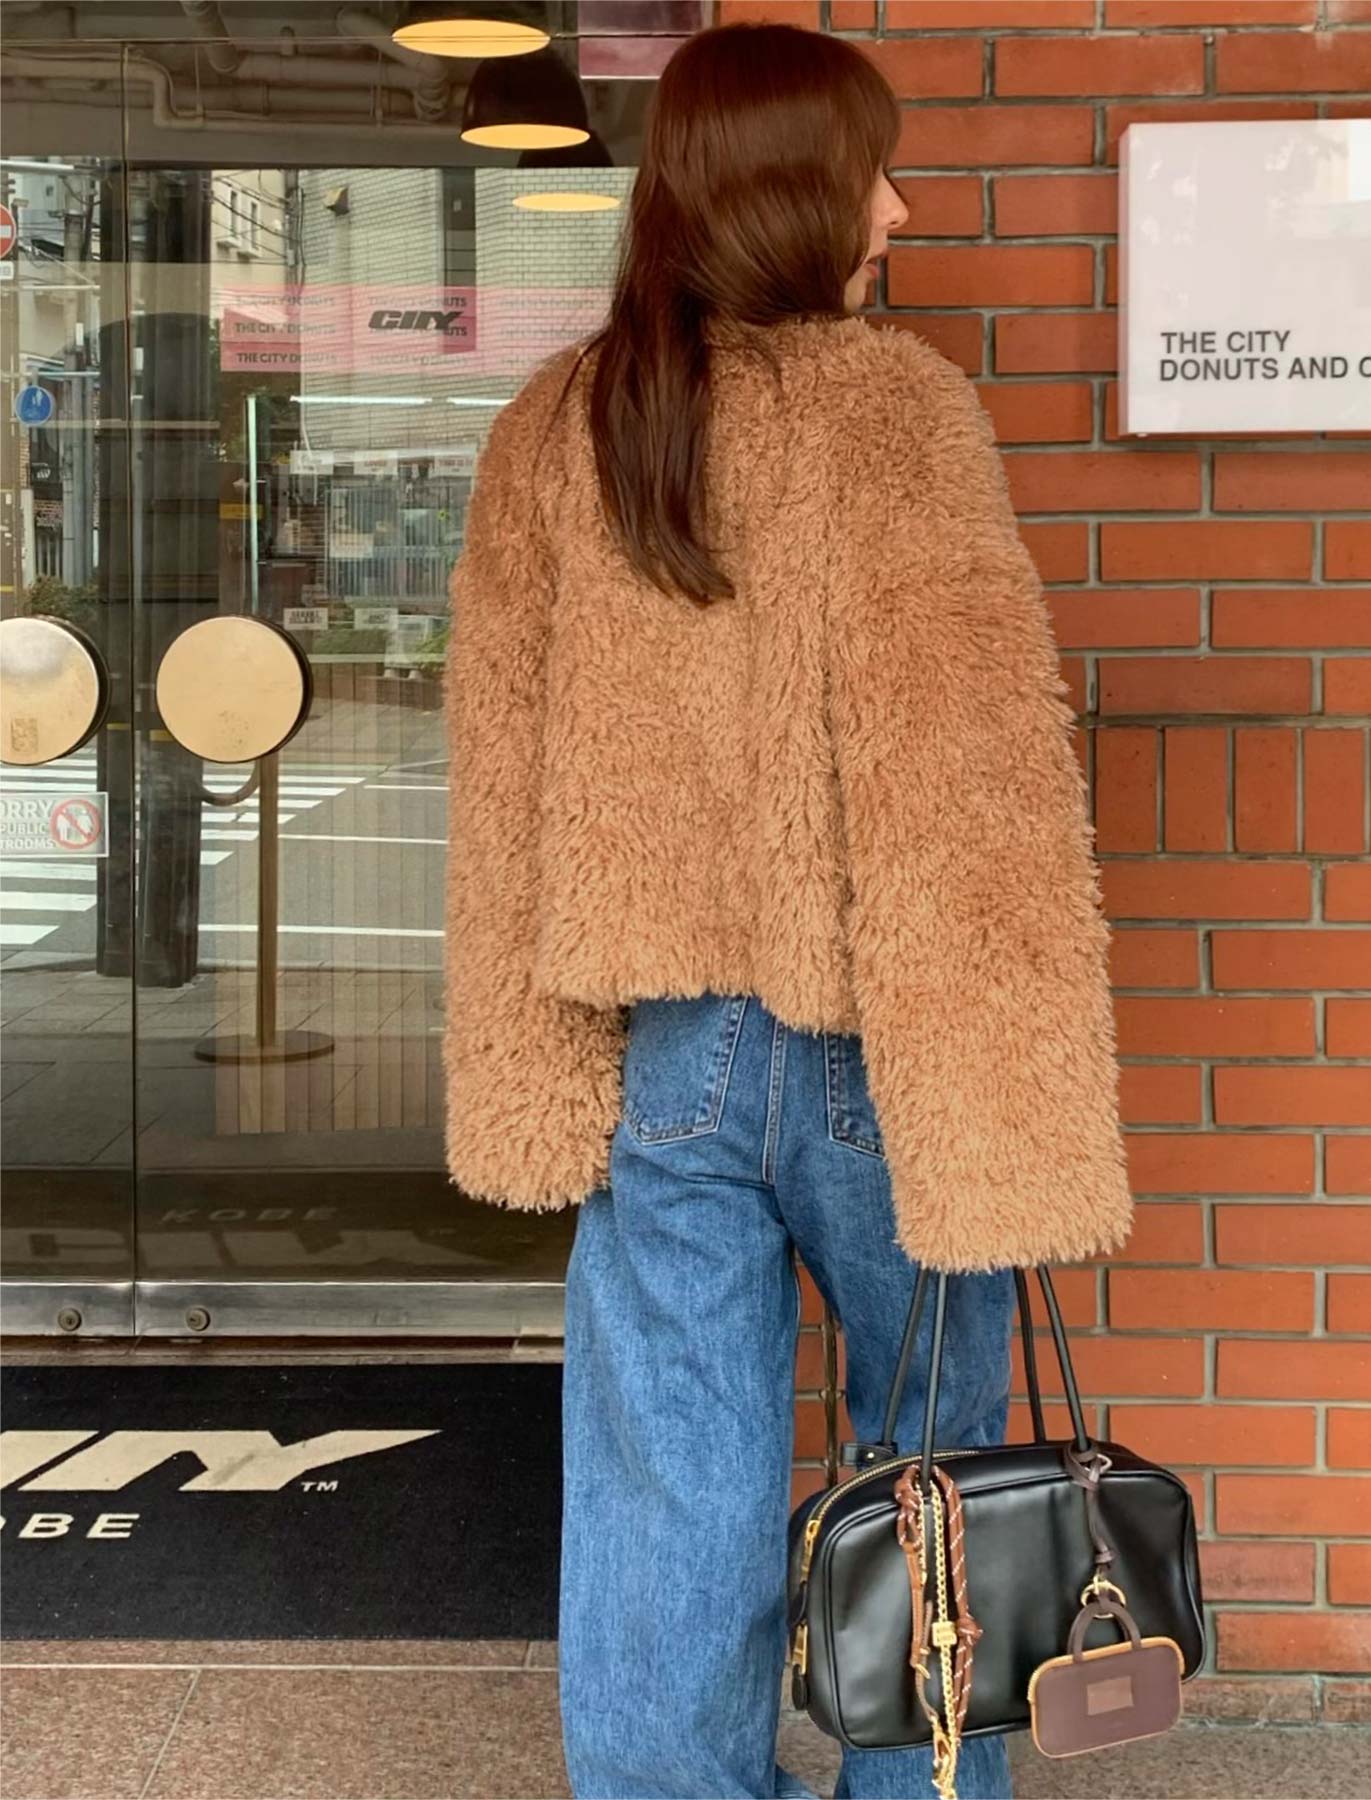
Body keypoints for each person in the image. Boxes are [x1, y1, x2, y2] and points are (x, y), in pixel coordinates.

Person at [442, 20, 1133, 1800]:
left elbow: (503, 778)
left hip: (667, 1056)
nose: (898, 209)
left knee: (670, 1483)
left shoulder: (561, 424)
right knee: (932, 1480)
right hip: (880, 1045)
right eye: (873, 173)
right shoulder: (891, 410)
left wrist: (534, 1062)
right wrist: (1012, 1090)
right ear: (792, 188)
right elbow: (970, 774)